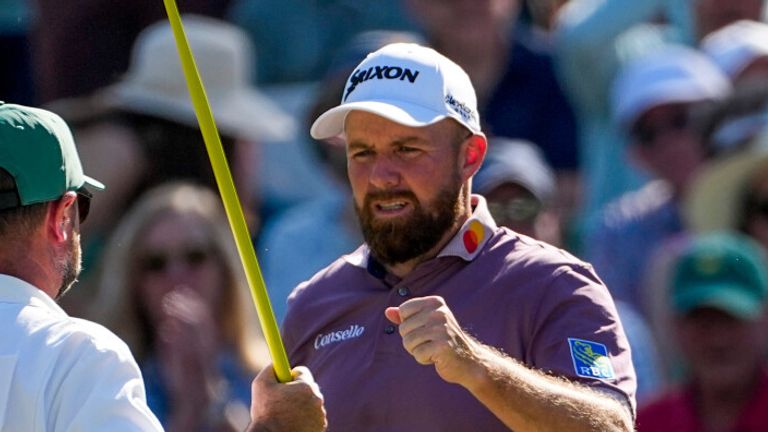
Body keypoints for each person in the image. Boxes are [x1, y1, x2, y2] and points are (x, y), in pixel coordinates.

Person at [282, 42, 636, 431]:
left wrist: (476, 366)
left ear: (470, 156)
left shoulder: (556, 284)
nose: (381, 176)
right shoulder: (312, 304)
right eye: (362, 153)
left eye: (407, 149)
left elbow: (612, 425)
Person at [0, 102, 326, 431]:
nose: (177, 277)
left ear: (225, 266)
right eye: (155, 264)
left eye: (196, 256)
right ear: (63, 216)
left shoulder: (270, 368)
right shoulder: (78, 358)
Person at [584, 45, 731, 314]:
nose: (668, 142)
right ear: (637, 153)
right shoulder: (619, 231)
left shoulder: (759, 203)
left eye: (681, 120)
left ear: (720, 118)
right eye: (647, 133)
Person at [636, 232, 768, 431]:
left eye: (732, 320)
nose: (719, 340)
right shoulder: (646, 424)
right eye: (703, 323)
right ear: (676, 326)